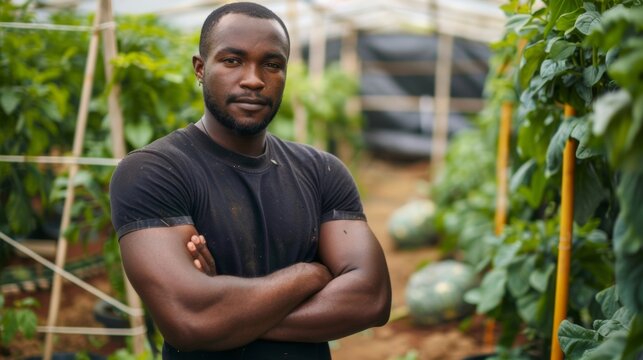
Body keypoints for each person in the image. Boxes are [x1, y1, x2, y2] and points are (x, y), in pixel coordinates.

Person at [109, 2, 391, 359]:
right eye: (232, 60)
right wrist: (310, 274)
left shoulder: (322, 171)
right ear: (200, 68)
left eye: (272, 64)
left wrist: (227, 315)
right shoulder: (155, 171)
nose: (254, 79)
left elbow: (372, 299)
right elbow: (189, 320)